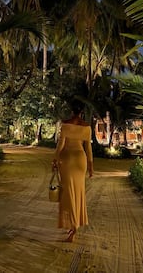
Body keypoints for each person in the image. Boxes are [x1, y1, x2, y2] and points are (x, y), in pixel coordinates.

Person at [52, 100, 94, 242]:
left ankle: (74, 225)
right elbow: (88, 148)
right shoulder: (87, 127)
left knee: (68, 193)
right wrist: (91, 167)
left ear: (71, 110)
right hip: (80, 161)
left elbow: (60, 146)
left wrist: (55, 160)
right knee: (78, 192)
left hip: (67, 159)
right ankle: (74, 224)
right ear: (82, 111)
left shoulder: (66, 125)